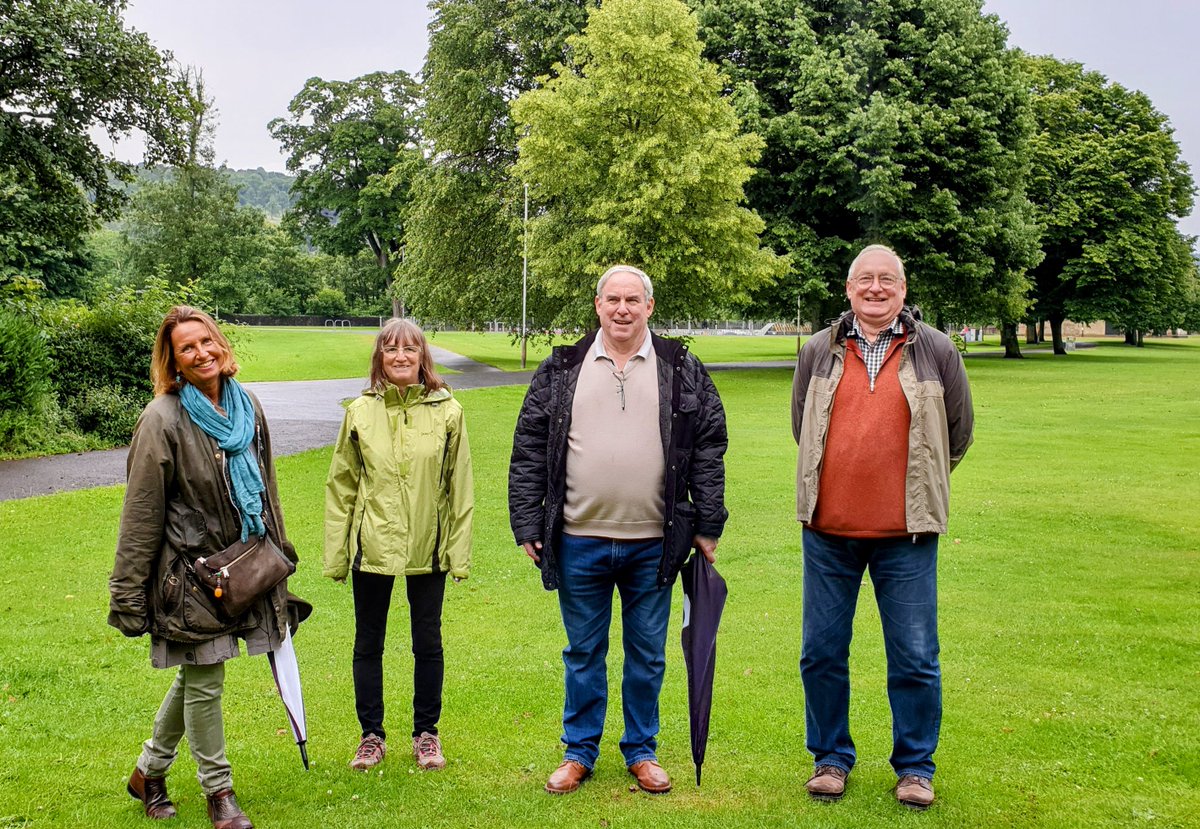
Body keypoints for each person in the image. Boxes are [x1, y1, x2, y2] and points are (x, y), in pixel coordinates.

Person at [509, 265, 728, 795]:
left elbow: (708, 446)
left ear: (649, 306)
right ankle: (579, 751)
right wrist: (527, 520)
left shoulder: (681, 366)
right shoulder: (563, 366)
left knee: (647, 654)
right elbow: (530, 446)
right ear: (598, 305)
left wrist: (708, 522)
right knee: (583, 652)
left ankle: (642, 750)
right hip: (578, 537)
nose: (622, 308)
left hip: (654, 541)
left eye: (633, 299)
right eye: (613, 299)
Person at [791, 244, 974, 809]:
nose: (875, 288)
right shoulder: (818, 349)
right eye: (865, 279)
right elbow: (803, 426)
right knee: (821, 652)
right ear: (849, 289)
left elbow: (957, 432)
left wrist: (917, 484)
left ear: (902, 288)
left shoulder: (936, 349)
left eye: (887, 279)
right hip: (828, 532)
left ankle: (915, 768)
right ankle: (830, 759)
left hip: (907, 535)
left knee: (915, 656)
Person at [109, 306, 298, 829]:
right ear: (172, 361)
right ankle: (220, 792)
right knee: (207, 677)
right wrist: (127, 592)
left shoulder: (246, 405)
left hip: (242, 565)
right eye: (186, 348)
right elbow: (141, 512)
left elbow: (267, 489)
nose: (201, 353)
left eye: (206, 341)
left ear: (220, 343)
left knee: (197, 673)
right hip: (190, 577)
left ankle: (148, 773)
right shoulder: (162, 419)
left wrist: (280, 555)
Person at [324, 318, 473, 773]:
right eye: (391, 349)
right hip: (372, 546)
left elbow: (460, 487)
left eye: (409, 348)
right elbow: (342, 486)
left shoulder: (448, 411)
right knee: (368, 642)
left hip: (428, 547)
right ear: (380, 357)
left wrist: (458, 553)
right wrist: (337, 555)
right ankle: (371, 736)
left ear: (423, 356)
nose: (401, 356)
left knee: (427, 642)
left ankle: (427, 733)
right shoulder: (359, 411)